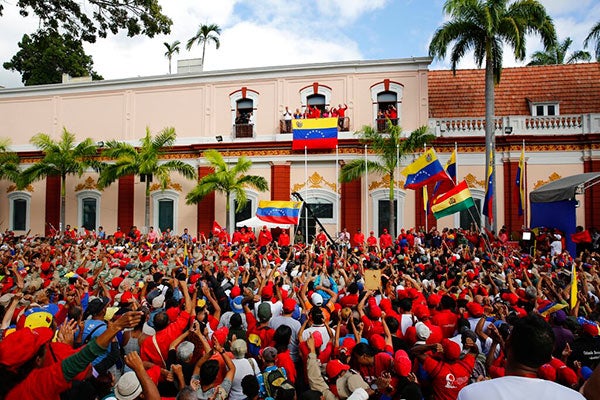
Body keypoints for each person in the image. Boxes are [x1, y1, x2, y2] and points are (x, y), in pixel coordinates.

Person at [457, 314, 585, 400]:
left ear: (507, 345)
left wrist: (480, 389)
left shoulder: (472, 394)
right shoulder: (574, 398)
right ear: (548, 356)